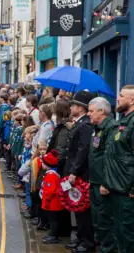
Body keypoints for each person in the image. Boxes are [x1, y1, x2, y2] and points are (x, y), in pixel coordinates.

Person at [102, 85, 134, 253]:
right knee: (119, 233)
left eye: (121, 95)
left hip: (127, 191)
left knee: (128, 235)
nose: (117, 98)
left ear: (132, 100)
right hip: (116, 187)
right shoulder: (122, 121)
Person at [65, 90, 96, 253]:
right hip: (74, 172)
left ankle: (87, 242)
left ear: (81, 108)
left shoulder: (85, 125)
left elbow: (83, 150)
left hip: (81, 174)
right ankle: (80, 238)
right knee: (76, 205)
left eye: (73, 105)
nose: (70, 108)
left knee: (82, 208)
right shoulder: (79, 122)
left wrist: (74, 171)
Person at [85, 97, 118, 252]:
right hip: (95, 181)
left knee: (105, 221)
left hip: (103, 184)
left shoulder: (111, 128)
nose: (88, 114)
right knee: (97, 220)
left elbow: (110, 158)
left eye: (91, 111)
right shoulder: (97, 128)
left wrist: (105, 182)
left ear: (101, 111)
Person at [39, 150, 64, 244]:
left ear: (47, 165)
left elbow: (50, 191)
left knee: (53, 220)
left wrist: (47, 201)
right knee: (52, 219)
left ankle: (54, 236)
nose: (42, 164)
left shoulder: (50, 175)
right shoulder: (51, 173)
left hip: (52, 203)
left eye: (43, 163)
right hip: (52, 203)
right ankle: (52, 234)